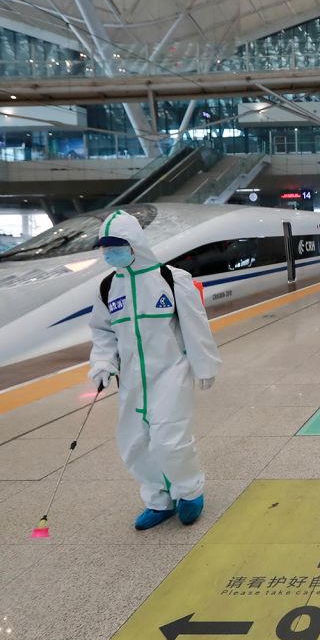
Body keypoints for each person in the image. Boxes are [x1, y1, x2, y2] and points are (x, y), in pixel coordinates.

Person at [89, 209, 221, 531]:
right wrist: (103, 363)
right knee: (135, 441)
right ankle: (158, 500)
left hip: (171, 373)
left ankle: (189, 493)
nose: (110, 252)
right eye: (105, 247)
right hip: (132, 379)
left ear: (134, 242)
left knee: (169, 438)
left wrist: (203, 365)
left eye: (116, 245)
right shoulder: (108, 288)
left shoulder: (172, 279)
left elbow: (195, 325)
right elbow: (103, 332)